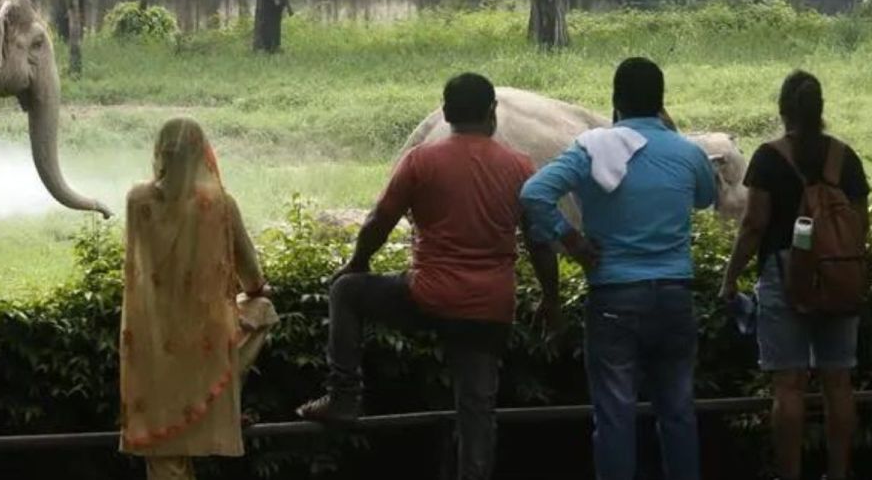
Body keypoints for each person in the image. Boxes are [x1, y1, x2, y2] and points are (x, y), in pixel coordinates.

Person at [296, 73, 561, 480]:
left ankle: (344, 395)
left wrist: (358, 262)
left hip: (428, 297)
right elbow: (541, 241)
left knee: (347, 291)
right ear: (491, 113)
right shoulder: (520, 167)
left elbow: (378, 222)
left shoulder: (421, 160)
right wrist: (550, 298)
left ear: (447, 112)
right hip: (490, 307)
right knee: (477, 412)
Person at [520, 57, 717, 480]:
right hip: (674, 295)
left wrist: (571, 241)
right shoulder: (687, 152)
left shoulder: (592, 148)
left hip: (613, 296)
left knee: (614, 414)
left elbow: (534, 193)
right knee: (678, 411)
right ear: (662, 102)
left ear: (615, 101)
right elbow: (704, 197)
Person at [719, 70, 869, 480]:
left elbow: (753, 225)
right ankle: (839, 473)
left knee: (789, 384)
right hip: (840, 273)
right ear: (821, 110)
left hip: (784, 273)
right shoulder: (846, 156)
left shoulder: (769, 157)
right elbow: (860, 221)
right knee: (839, 381)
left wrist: (730, 277)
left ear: (783, 109)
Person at [119, 118, 278, 480]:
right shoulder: (220, 204)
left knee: (164, 450)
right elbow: (251, 274)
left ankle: (211, 402)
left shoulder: (136, 201)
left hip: (152, 342)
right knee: (263, 311)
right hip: (205, 341)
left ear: (160, 153)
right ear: (202, 153)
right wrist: (255, 290)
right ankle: (216, 401)